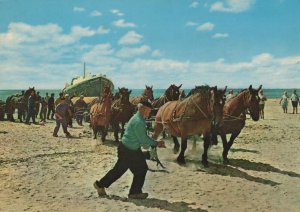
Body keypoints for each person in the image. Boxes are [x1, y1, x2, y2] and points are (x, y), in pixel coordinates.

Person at [93, 101, 165, 199]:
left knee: (120, 170)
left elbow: (142, 139)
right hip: (129, 151)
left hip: (128, 148)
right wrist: (156, 143)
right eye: (148, 111)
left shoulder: (137, 117)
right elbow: (143, 139)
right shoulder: (139, 122)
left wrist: (152, 142)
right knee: (140, 169)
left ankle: (100, 185)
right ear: (143, 109)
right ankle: (134, 193)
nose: (149, 113)